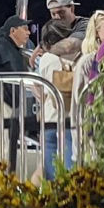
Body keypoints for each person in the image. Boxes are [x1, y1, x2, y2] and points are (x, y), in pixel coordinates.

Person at [35, 25, 83, 177]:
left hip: (49, 117)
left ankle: (50, 196)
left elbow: (39, 88)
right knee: (68, 164)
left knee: (50, 165)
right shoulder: (70, 59)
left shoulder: (45, 59)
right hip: (67, 118)